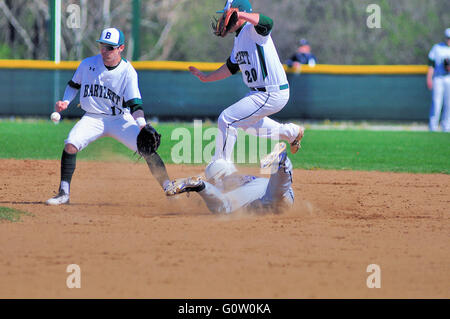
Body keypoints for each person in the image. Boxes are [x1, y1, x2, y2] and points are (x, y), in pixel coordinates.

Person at [46, 27, 171, 205]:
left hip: (119, 119)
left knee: (147, 149)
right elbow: (74, 85)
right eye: (103, 46)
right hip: (92, 117)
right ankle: (63, 193)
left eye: (110, 48)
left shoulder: (128, 71)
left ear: (121, 48)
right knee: (71, 145)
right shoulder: (87, 64)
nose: (105, 51)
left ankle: (168, 186)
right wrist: (66, 101)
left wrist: (142, 125)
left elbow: (135, 104)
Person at [189, 0, 304, 164]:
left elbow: (268, 22)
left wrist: (241, 15)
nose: (224, 20)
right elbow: (230, 68)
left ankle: (220, 168)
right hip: (261, 93)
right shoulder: (239, 39)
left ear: (238, 13)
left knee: (227, 119)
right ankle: (290, 133)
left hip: (271, 92)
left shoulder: (252, 30)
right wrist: (206, 77)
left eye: (228, 15)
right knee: (247, 124)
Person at [164, 142, 294, 214]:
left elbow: (219, 199)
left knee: (225, 208)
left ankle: (200, 186)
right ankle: (282, 162)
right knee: (279, 196)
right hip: (273, 186)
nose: (213, 183)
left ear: (219, 176)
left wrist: (202, 187)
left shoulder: (228, 182)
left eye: (212, 180)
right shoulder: (238, 177)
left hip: (256, 191)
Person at [426, 28, 450, 132]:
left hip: (449, 78)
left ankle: (447, 127)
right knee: (436, 103)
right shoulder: (437, 48)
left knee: (449, 104)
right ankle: (433, 127)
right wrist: (429, 78)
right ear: (446, 38)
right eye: (449, 38)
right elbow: (431, 65)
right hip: (438, 78)